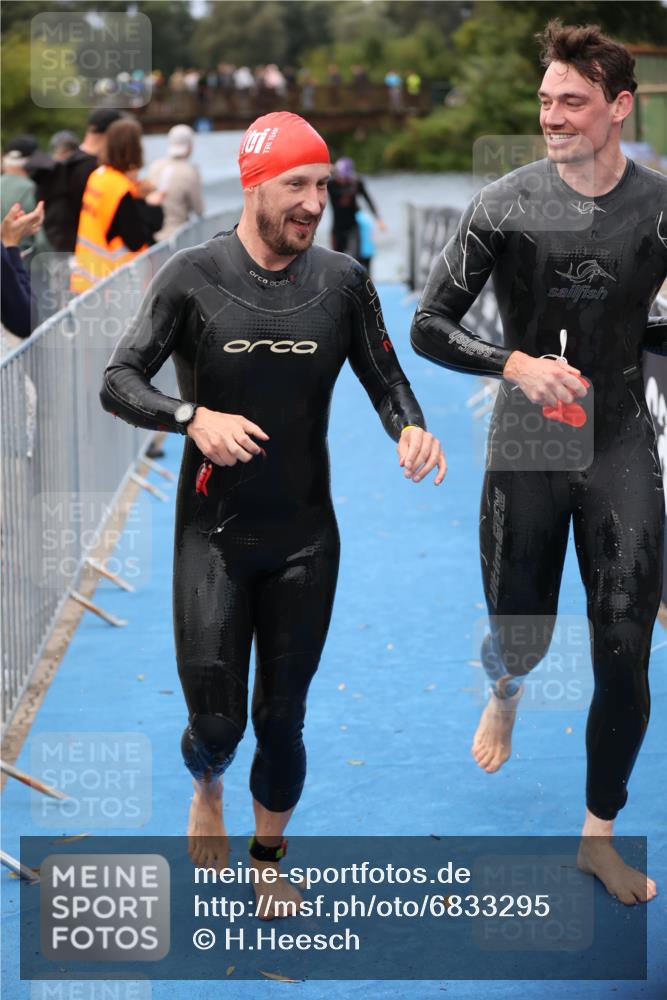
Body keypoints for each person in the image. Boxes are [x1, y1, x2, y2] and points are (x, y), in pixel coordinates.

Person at [100, 111, 446, 917]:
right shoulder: (191, 275)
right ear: (256, 185)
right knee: (217, 726)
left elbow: (386, 380)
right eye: (296, 184)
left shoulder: (342, 281)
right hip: (211, 538)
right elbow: (118, 380)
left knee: (283, 719)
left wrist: (412, 428)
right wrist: (192, 418)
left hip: (304, 538)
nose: (313, 201)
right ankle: (207, 783)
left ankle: (267, 857)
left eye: (321, 185)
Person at [411, 20, 666, 906]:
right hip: (529, 438)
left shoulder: (660, 206)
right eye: (545, 101)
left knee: (625, 647)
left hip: (620, 439)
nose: (553, 117)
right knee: (523, 624)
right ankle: (508, 686)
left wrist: (634, 340)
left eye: (573, 102)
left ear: (619, 108)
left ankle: (597, 835)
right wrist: (513, 363)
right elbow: (428, 326)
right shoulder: (505, 203)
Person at [72, 117, 163, 293]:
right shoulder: (121, 189)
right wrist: (150, 204)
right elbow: (136, 240)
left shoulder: (98, 176)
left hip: (88, 276)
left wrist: (135, 193)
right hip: (115, 284)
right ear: (134, 149)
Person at [28, 109, 123, 256]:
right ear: (111, 134)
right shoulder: (95, 170)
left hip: (59, 252)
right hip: (89, 256)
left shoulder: (61, 167)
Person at [147, 124, 204, 241]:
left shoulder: (155, 166)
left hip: (152, 235)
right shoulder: (190, 171)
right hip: (176, 238)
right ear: (190, 146)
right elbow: (199, 209)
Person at [328, 157, 385, 261]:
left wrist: (378, 219)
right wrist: (327, 167)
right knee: (336, 261)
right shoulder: (330, 184)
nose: (343, 180)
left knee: (354, 259)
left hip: (352, 228)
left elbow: (368, 200)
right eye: (341, 177)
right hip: (337, 228)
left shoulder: (356, 183)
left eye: (346, 178)